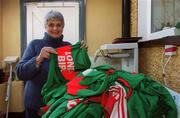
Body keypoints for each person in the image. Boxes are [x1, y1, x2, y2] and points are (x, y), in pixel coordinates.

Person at [16, 10, 72, 118]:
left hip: (59, 104)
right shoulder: (34, 45)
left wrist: (81, 55)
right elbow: (20, 73)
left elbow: (75, 75)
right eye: (51, 25)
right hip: (35, 105)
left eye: (58, 25)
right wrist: (38, 59)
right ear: (45, 27)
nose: (55, 28)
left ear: (62, 27)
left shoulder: (68, 47)